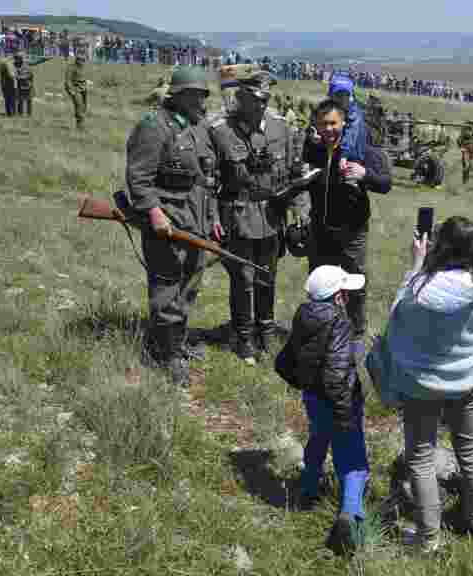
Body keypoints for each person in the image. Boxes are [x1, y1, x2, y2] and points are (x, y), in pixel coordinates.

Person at [385, 217, 473, 552]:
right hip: (469, 373)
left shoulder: (421, 291)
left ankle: (428, 538)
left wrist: (416, 264)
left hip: (424, 380)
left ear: (441, 246)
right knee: (468, 447)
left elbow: (397, 314)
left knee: (421, 458)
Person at [124, 66, 218, 386]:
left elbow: (204, 179)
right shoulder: (154, 126)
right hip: (168, 221)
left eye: (202, 95)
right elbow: (139, 176)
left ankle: (174, 342)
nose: (199, 101)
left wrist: (213, 217)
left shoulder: (198, 127)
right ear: (176, 95)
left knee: (188, 287)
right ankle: (165, 355)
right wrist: (153, 212)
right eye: (193, 94)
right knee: (166, 288)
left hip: (197, 220)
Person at [210, 68, 310, 363]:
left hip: (272, 214)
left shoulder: (281, 128)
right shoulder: (220, 130)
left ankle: (265, 331)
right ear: (240, 96)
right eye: (255, 98)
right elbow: (208, 179)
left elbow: (295, 173)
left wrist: (300, 210)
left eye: (265, 98)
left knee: (268, 276)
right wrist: (212, 217)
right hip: (238, 215)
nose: (261, 104)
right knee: (243, 278)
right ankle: (243, 337)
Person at [283, 265, 370, 555]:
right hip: (339, 400)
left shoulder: (303, 315)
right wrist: (345, 412)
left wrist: (307, 384)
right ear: (336, 298)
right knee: (353, 459)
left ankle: (308, 489)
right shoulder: (339, 324)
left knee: (318, 439)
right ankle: (350, 516)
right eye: (344, 292)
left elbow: (285, 362)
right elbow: (336, 376)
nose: (347, 296)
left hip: (313, 397)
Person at [303, 98, 392, 357]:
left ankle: (355, 334)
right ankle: (322, 330)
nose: (328, 129)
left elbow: (386, 183)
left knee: (354, 282)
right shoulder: (314, 150)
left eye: (333, 123)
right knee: (320, 283)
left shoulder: (359, 148)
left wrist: (366, 174)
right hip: (320, 228)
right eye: (323, 124)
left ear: (343, 122)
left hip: (352, 231)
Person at [64, 52, 88, 129]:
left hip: (83, 89)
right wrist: (71, 91)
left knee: (84, 107)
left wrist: (85, 85)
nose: (82, 62)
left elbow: (82, 78)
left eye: (83, 60)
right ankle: (80, 126)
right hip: (75, 89)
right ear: (77, 60)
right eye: (81, 60)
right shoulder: (71, 67)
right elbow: (68, 81)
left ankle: (81, 122)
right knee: (79, 106)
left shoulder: (82, 67)